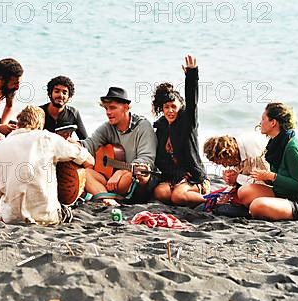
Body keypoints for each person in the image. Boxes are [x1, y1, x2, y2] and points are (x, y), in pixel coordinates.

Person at [0, 105, 94, 225]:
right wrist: (74, 144)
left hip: (10, 217)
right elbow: (89, 161)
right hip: (46, 217)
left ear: (18, 124)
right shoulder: (48, 138)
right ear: (40, 126)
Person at [237, 102, 298, 221]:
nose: (260, 123)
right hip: (283, 193)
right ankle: (274, 208)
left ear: (273, 122)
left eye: (263, 119)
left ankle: (273, 209)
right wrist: (264, 177)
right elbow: (281, 177)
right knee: (244, 192)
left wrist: (272, 176)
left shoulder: (292, 148)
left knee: (256, 206)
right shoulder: (276, 142)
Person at [79, 87, 158, 206]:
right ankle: (107, 199)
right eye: (106, 108)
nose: (108, 112)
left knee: (136, 173)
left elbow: (146, 160)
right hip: (112, 180)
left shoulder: (143, 126)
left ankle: (101, 193)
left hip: (134, 178)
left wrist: (121, 171)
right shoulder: (108, 127)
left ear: (126, 107)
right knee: (85, 173)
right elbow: (89, 144)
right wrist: (72, 144)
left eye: (112, 108)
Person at [152, 55, 209, 207]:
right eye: (166, 107)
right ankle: (183, 193)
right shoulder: (160, 127)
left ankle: (210, 201)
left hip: (194, 177)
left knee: (177, 197)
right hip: (174, 177)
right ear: (162, 109)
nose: (170, 110)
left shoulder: (187, 122)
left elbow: (192, 102)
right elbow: (160, 159)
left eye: (173, 106)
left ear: (180, 107)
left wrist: (191, 75)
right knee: (160, 193)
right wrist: (175, 175)